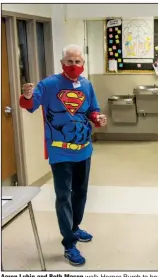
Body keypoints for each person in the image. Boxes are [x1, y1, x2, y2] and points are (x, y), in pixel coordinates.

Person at [19, 44, 107, 266]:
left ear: (83, 64)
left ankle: (75, 228)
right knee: (63, 197)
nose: (74, 65)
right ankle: (69, 244)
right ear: (62, 63)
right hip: (60, 152)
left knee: (81, 193)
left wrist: (97, 118)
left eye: (78, 61)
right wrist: (27, 95)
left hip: (84, 150)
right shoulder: (49, 85)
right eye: (70, 61)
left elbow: (91, 110)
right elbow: (29, 105)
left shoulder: (86, 84)